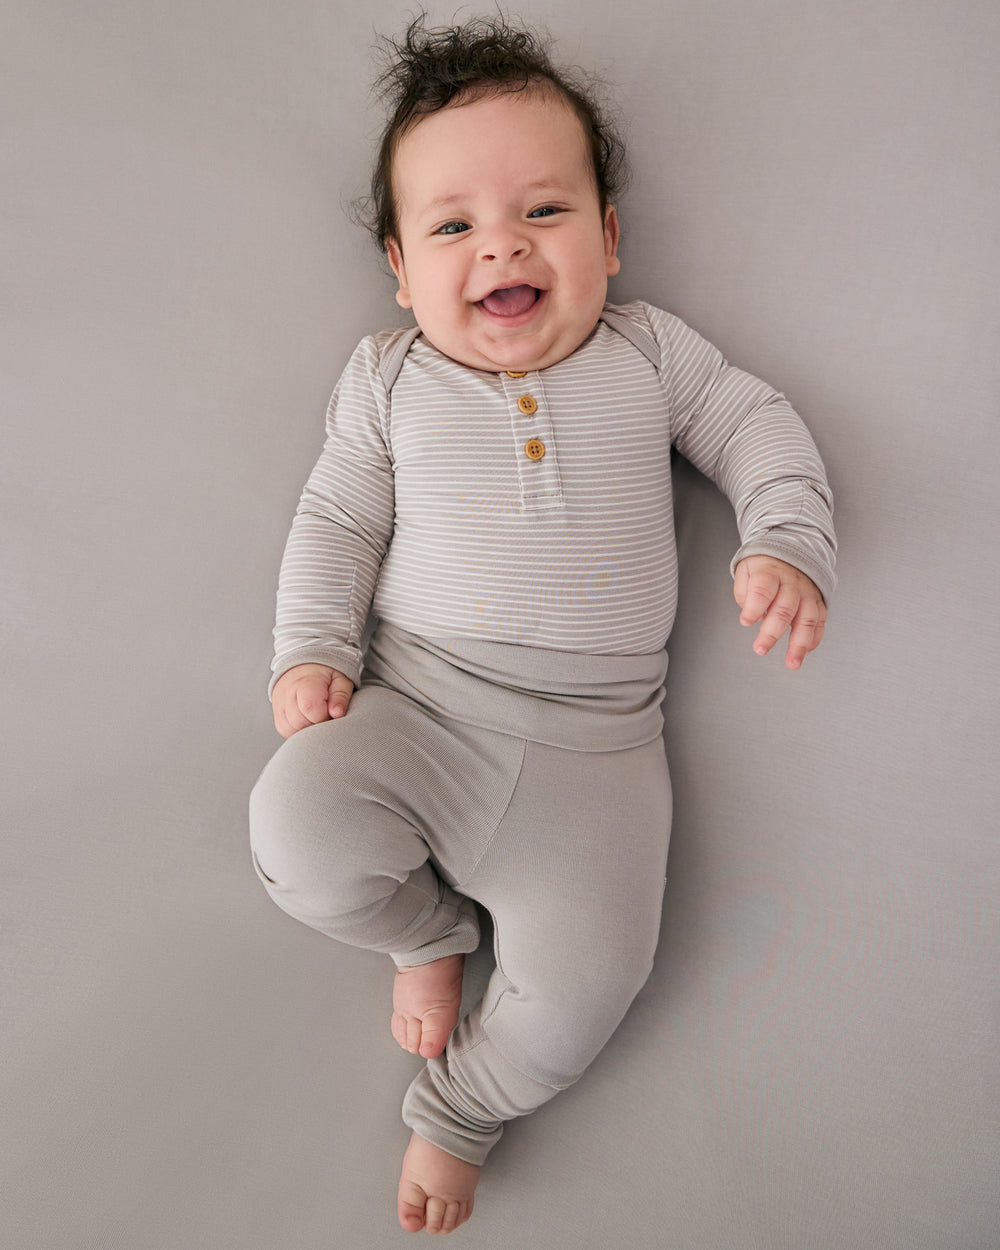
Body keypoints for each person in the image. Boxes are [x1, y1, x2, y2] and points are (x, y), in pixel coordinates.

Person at [249, 14, 836, 1236]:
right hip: (420, 708)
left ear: (610, 240)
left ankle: (461, 1107)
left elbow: (756, 424)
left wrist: (785, 540)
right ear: (403, 273)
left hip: (599, 756)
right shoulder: (387, 379)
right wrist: (312, 652)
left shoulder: (651, 352)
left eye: (545, 212)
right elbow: (335, 521)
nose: (501, 243)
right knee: (294, 825)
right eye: (452, 225)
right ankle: (430, 930)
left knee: (591, 982)